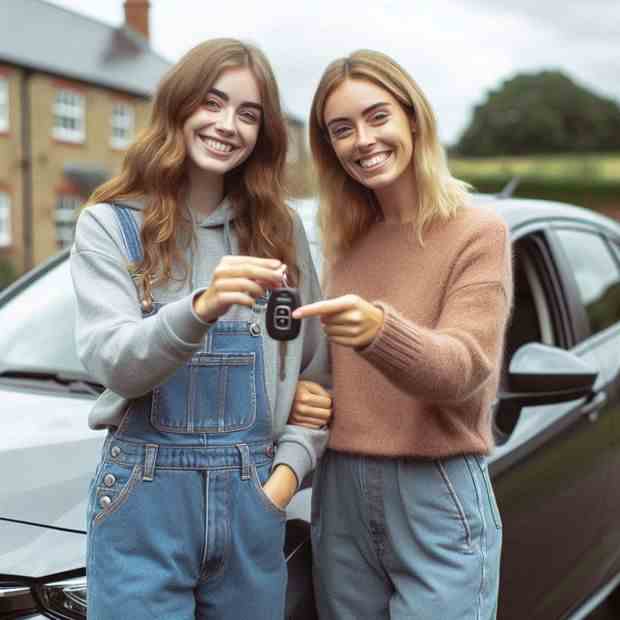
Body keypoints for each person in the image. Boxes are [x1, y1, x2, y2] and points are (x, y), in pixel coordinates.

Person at [71, 38, 331, 620]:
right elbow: (113, 360)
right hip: (144, 505)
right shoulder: (111, 227)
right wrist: (201, 306)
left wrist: (285, 477)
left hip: (252, 506)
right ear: (179, 107)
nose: (227, 125)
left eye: (248, 113)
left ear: (262, 133)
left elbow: (314, 373)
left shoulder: (280, 232)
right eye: (212, 103)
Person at [291, 50, 513, 620]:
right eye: (342, 130)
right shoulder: (341, 242)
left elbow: (464, 368)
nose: (363, 140)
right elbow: (321, 370)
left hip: (435, 491)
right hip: (337, 493)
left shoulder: (477, 232)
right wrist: (305, 396)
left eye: (377, 117)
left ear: (413, 118)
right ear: (329, 149)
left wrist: (378, 331)